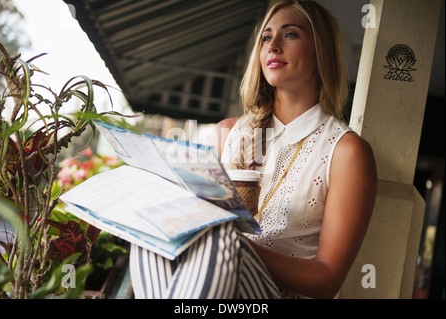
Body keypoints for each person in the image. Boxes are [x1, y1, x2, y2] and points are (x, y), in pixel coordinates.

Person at [129, 0, 377, 299]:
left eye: (290, 34)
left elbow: (326, 281)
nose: (273, 46)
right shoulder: (228, 133)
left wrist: (234, 241)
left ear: (319, 50)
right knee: (151, 232)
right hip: (209, 287)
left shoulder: (346, 151)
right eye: (266, 37)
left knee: (222, 237)